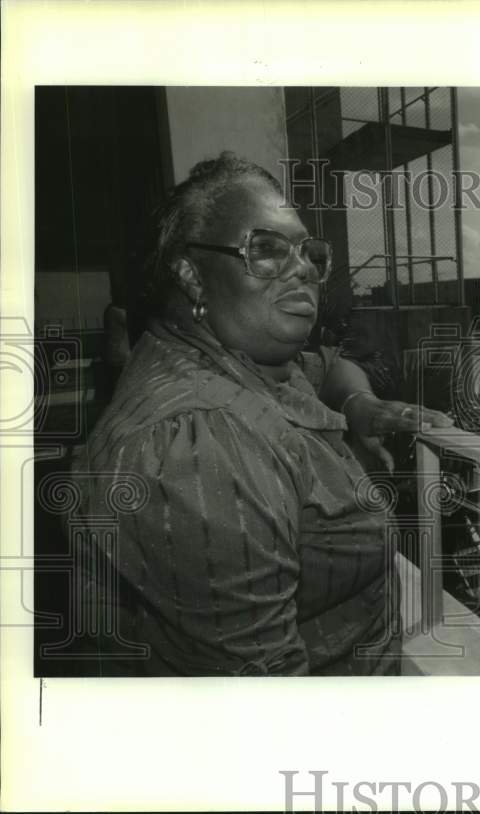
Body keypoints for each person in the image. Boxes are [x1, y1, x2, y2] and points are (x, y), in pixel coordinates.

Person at [70, 152, 451, 676]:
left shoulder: (246, 358)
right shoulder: (204, 444)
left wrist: (360, 405)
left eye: (310, 253)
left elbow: (331, 368)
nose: (304, 270)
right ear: (192, 275)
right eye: (266, 249)